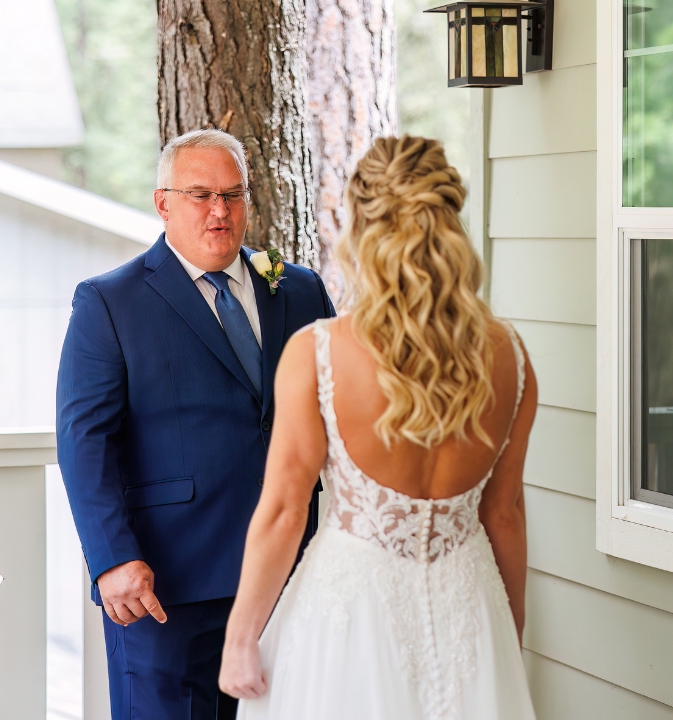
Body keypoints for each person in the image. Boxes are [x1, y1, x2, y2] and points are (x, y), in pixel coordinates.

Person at [218, 135, 539, 719]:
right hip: (469, 604)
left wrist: (242, 636)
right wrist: (507, 627)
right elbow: (505, 513)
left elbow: (286, 510)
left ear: (359, 225)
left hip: (353, 615)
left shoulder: (317, 353)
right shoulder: (509, 356)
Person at [56, 128, 335, 720]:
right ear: (163, 203)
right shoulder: (110, 302)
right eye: (200, 195)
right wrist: (112, 560)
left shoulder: (301, 291)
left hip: (294, 575)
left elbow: (334, 413)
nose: (219, 211)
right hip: (167, 585)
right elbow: (85, 442)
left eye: (233, 196)